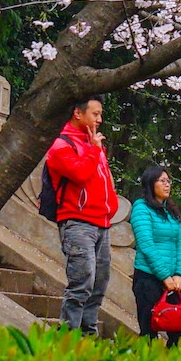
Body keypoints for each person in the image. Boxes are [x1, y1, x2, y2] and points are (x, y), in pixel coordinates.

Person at [42, 97, 117, 335]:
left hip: (101, 222)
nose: (99, 119)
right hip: (77, 222)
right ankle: (68, 336)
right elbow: (80, 173)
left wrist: (111, 205)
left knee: (99, 284)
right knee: (82, 282)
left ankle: (88, 335)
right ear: (77, 113)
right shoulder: (61, 145)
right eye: (95, 114)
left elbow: (105, 178)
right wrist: (94, 150)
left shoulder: (93, 142)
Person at [129, 165, 181, 346]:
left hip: (172, 281)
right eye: (162, 181)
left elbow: (180, 244)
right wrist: (164, 275)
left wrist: (180, 273)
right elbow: (146, 244)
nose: (167, 185)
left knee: (179, 328)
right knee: (149, 328)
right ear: (150, 183)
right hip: (148, 278)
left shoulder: (170, 211)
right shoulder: (141, 208)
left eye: (168, 181)